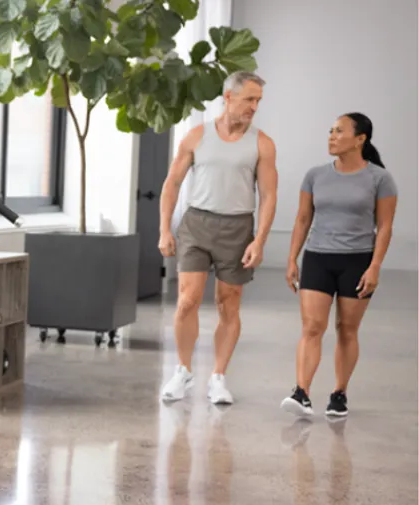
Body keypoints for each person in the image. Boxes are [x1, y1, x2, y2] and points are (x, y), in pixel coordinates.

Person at [158, 71, 278, 405]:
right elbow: (172, 184)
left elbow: (268, 196)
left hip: (238, 228)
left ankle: (218, 377)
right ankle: (182, 371)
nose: (254, 107)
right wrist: (164, 229)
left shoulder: (262, 143)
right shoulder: (197, 136)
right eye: (249, 99)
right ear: (228, 97)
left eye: (258, 101)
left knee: (228, 303)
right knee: (187, 301)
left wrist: (260, 241)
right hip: (196, 224)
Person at [281, 113, 397, 418]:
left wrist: (375, 267)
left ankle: (339, 393)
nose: (332, 136)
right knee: (312, 327)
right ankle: (301, 392)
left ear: (360, 139)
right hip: (318, 257)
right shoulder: (315, 175)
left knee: (347, 329)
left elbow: (384, 227)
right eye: (330, 130)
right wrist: (292, 258)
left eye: (339, 131)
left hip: (357, 261)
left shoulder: (379, 179)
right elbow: (303, 218)